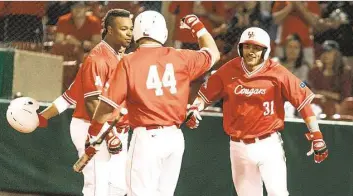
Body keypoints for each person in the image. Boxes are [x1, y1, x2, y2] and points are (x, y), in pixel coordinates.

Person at [87, 11, 220, 196]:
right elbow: (213, 52)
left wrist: (93, 132)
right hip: (175, 139)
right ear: (163, 33)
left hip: (146, 140)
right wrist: (196, 25)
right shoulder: (181, 57)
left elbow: (107, 105)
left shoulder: (129, 61)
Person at [186, 27, 328, 196]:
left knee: (278, 193)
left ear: (265, 50)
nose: (251, 52)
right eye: (247, 47)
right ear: (240, 48)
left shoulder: (278, 72)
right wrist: (195, 107)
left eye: (256, 48)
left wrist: (317, 135)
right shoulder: (229, 70)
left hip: (268, 145)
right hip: (238, 146)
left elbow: (303, 103)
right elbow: (205, 95)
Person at [37, 9, 133, 196]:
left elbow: (69, 96)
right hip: (92, 128)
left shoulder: (120, 57)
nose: (129, 33)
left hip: (116, 130)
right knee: (97, 185)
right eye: (124, 29)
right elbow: (91, 103)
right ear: (110, 30)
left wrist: (43, 116)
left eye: (130, 28)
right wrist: (109, 134)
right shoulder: (97, 58)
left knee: (119, 186)